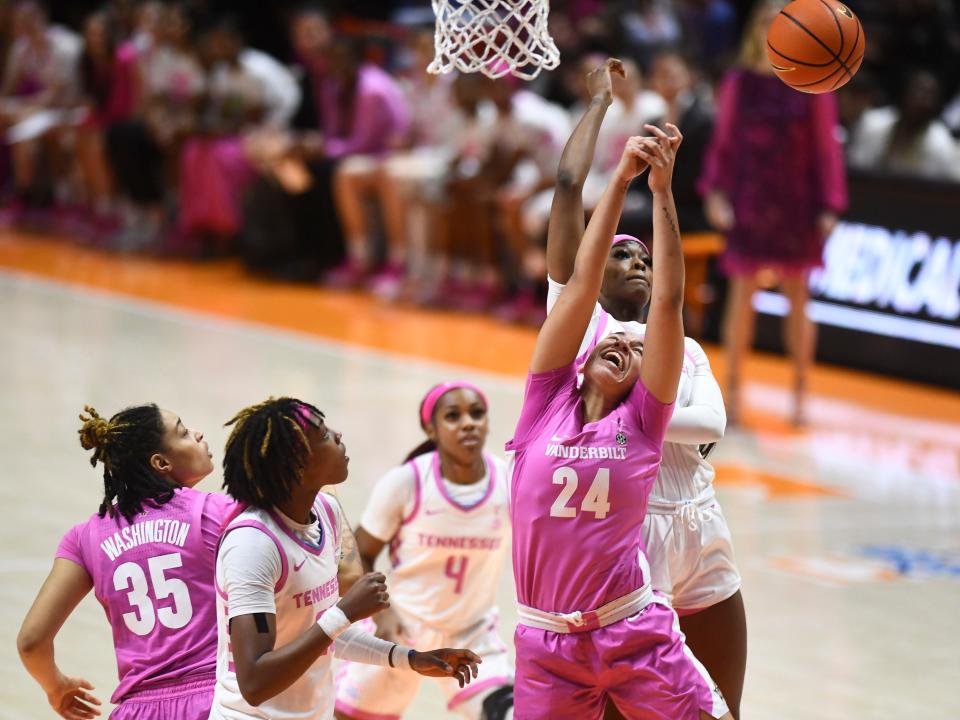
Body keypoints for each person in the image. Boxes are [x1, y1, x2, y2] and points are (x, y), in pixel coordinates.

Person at [506, 113, 731, 719]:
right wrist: (623, 179)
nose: (624, 348)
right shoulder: (546, 401)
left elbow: (671, 301)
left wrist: (662, 191)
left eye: (639, 350)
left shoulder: (645, 416)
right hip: (550, 632)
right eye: (618, 254)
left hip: (636, 610)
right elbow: (578, 271)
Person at [210, 397, 481, 719]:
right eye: (324, 435)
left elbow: (323, 636)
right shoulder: (253, 544)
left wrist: (411, 659)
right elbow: (255, 682)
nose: (338, 435)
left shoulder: (326, 511)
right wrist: (345, 612)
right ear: (297, 463)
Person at [17, 404, 234, 719]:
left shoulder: (85, 537)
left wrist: (57, 687)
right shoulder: (216, 511)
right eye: (184, 432)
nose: (198, 434)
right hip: (217, 701)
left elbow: (31, 642)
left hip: (136, 711)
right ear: (160, 462)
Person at [699, 0, 848, 427]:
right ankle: (732, 392)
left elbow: (826, 147)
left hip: (796, 200)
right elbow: (722, 143)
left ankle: (801, 392)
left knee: (798, 298)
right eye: (767, 21)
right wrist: (715, 192)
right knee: (741, 298)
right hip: (749, 197)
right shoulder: (738, 82)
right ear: (755, 29)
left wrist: (830, 203)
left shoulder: (812, 81)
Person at [336, 382, 514, 720]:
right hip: (403, 628)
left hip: (472, 631)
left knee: (508, 712)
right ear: (430, 428)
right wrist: (382, 614)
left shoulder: (508, 481)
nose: (469, 423)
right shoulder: (406, 482)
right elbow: (358, 554)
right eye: (453, 416)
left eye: (477, 414)